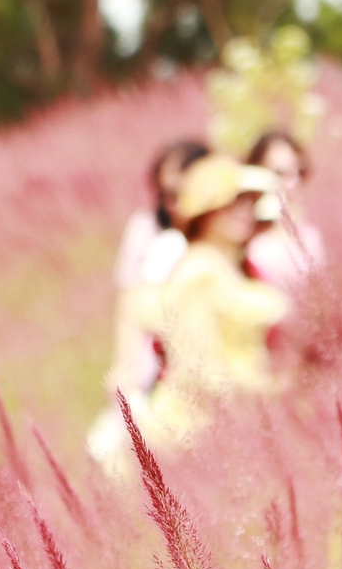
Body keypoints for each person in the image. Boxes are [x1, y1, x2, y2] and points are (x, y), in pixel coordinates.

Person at [90, 155, 291, 470]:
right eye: (231, 202)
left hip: (235, 421)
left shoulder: (229, 266)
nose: (244, 211)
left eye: (249, 202)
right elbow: (199, 366)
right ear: (205, 210)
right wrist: (270, 391)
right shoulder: (200, 271)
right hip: (197, 430)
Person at [103, 140, 208, 402]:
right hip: (152, 361)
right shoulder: (146, 228)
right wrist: (127, 364)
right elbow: (129, 301)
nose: (173, 204)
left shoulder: (216, 234)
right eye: (166, 194)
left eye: (181, 193)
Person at [243, 129, 327, 293]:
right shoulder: (240, 233)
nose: (292, 183)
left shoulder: (311, 236)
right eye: (279, 173)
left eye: (299, 172)